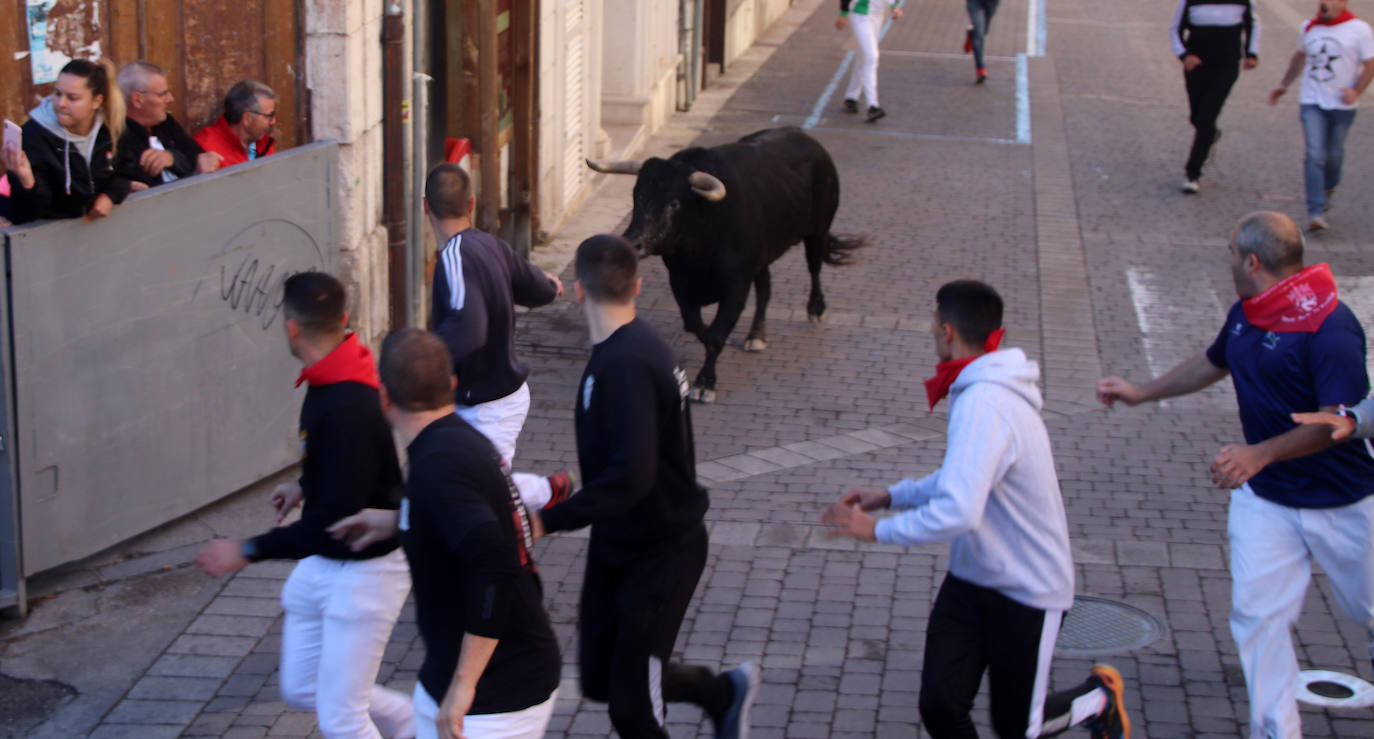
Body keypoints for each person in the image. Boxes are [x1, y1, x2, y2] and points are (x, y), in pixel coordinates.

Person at [1097, 211, 1374, 738]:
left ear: (1252, 261)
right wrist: (1142, 392)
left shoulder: (1331, 329)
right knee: (1257, 617)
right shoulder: (1251, 311)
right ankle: (1275, 731)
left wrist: (1259, 453)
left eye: (1229, 252)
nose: (1225, 261)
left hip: (1344, 503)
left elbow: (1336, 424)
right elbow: (1214, 361)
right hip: (1267, 501)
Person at [823, 280, 1130, 738]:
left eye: (932, 324)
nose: (931, 331)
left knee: (1017, 728)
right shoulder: (976, 390)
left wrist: (877, 531)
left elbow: (960, 510)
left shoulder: (985, 402)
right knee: (941, 705)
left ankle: (1098, 698)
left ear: (946, 331)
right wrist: (892, 495)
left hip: (1028, 591)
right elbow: (962, 479)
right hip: (971, 581)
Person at [529, 234, 759, 739]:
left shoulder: (626, 364)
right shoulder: (623, 351)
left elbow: (633, 478)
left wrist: (547, 521)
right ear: (636, 285)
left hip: (660, 552)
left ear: (577, 292)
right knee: (599, 678)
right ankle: (720, 694)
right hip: (621, 543)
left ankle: (714, 695)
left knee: (632, 708)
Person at [196, 272, 413, 739]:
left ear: (291, 327)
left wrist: (245, 550)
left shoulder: (345, 401)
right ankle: (408, 719)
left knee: (342, 717)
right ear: (345, 319)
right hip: (333, 558)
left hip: (367, 570)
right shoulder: (336, 374)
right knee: (302, 688)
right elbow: (345, 462)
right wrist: (305, 481)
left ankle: (408, 720)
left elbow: (327, 524)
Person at [330, 329, 561, 739]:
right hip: (471, 684)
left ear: (384, 398)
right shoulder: (452, 443)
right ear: (452, 386)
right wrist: (393, 520)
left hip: (493, 699)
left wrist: (464, 685)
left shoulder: (440, 465)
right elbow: (468, 521)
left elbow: (496, 565)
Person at [424, 163, 570, 511]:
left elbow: (468, 329)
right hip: (494, 399)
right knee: (457, 485)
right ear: (471, 204)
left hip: (486, 407)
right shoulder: (490, 245)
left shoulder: (455, 257)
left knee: (474, 497)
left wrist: (420, 367)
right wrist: (552, 286)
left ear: (426, 207)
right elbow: (535, 287)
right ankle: (547, 493)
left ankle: (543, 498)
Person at [1268, 0, 1374, 231]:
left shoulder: (1359, 29)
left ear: (1342, 2)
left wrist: (1356, 91)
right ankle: (1315, 211)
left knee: (1334, 154)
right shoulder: (1309, 27)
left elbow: (1370, 64)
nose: (1324, 3)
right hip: (1312, 101)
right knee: (1314, 154)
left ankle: (1328, 189)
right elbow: (1299, 56)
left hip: (1342, 105)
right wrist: (1284, 85)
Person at [1, 58, 130, 224]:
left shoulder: (110, 129)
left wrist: (110, 195)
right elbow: (31, 212)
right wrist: (27, 181)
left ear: (96, 101)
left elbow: (126, 170)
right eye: (58, 94)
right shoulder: (34, 136)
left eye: (72, 98)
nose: (61, 103)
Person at [1170, 0, 1260, 194]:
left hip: (1226, 67)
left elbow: (1252, 24)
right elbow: (1176, 29)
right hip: (1197, 66)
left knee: (1206, 117)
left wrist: (1251, 53)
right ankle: (1211, 135)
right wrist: (1184, 56)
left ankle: (1192, 173)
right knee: (1197, 117)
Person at [115, 60, 221, 189]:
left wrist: (172, 158)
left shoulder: (165, 123)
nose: (170, 99)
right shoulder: (118, 138)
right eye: (162, 94)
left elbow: (196, 155)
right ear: (138, 100)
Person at [836, 0, 903, 122]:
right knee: (872, 56)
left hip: (877, 16)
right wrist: (844, 14)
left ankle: (851, 97)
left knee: (864, 57)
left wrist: (894, 7)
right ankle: (873, 106)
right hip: (860, 15)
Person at [194, 79, 279, 167]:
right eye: (269, 116)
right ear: (247, 119)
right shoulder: (206, 148)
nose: (273, 121)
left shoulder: (262, 142)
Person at [963, 0, 1002, 84]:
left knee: (983, 31)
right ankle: (980, 69)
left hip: (992, 2)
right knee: (979, 35)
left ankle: (971, 34)